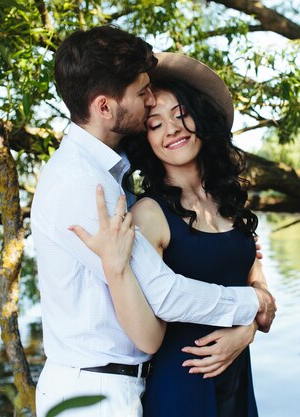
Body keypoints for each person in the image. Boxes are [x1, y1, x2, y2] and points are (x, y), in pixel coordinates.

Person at [31, 26, 276, 417]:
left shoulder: (110, 178)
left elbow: (242, 266)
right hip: (96, 389)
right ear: (105, 107)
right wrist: (254, 304)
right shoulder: (84, 185)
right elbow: (163, 297)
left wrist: (248, 321)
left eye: (178, 115)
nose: (149, 102)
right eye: (142, 94)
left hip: (129, 381)